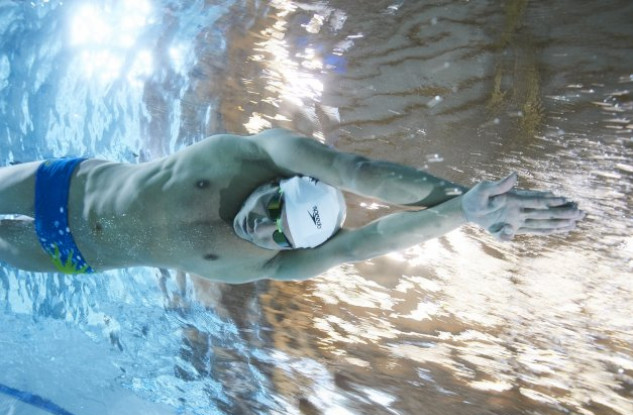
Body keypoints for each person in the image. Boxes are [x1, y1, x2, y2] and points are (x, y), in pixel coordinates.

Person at [0, 128, 584, 282]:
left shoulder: (265, 265)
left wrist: (462, 215)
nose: (263, 223)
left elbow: (366, 243)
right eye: (275, 205)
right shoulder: (250, 156)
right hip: (62, 187)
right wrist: (464, 192)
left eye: (279, 232)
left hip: (72, 253)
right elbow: (359, 172)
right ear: (281, 181)